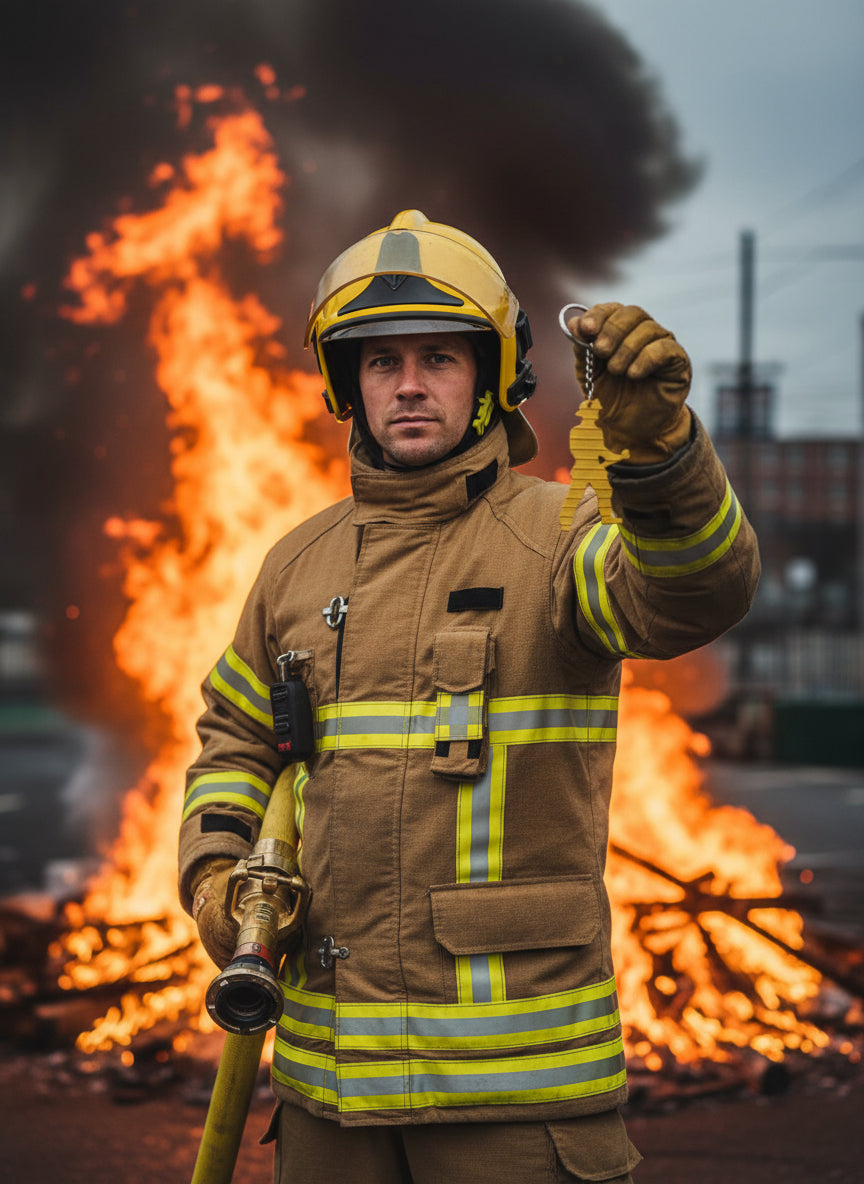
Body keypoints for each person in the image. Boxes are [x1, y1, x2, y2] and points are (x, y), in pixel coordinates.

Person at [179, 210, 760, 1183]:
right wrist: (215, 875)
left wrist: (659, 456)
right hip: (329, 1097)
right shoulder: (296, 567)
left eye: (440, 357)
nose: (409, 383)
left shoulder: (562, 533)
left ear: (491, 375)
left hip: (515, 1104)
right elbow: (235, 738)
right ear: (345, 382)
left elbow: (695, 591)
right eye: (381, 360)